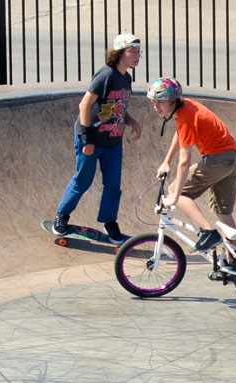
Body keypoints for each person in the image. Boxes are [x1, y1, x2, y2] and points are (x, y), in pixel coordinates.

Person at [51, 33, 143, 243]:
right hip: (91, 140)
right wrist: (87, 139)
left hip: (113, 141)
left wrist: (131, 121)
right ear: (120, 53)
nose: (138, 56)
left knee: (113, 185)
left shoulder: (126, 78)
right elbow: (84, 105)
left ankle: (109, 221)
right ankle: (62, 215)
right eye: (133, 51)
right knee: (83, 180)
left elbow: (117, 107)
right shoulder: (106, 75)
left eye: (139, 52)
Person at [147, 78, 236, 254]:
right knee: (223, 212)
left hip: (217, 160)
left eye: (160, 102)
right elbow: (181, 133)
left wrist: (175, 196)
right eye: (153, 102)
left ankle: (208, 232)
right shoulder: (186, 109)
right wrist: (166, 161)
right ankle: (233, 263)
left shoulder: (187, 115)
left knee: (178, 190)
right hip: (233, 158)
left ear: (173, 100)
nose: (156, 106)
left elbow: (185, 162)